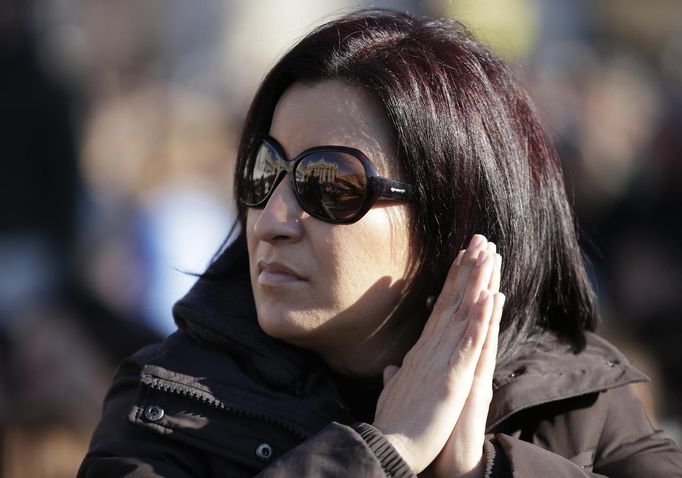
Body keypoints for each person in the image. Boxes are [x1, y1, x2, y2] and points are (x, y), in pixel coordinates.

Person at [78, 10, 682, 477]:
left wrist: (484, 470)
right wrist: (384, 450)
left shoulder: (580, 400)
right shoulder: (167, 402)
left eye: (329, 185)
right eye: (266, 173)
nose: (273, 218)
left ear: (453, 211)